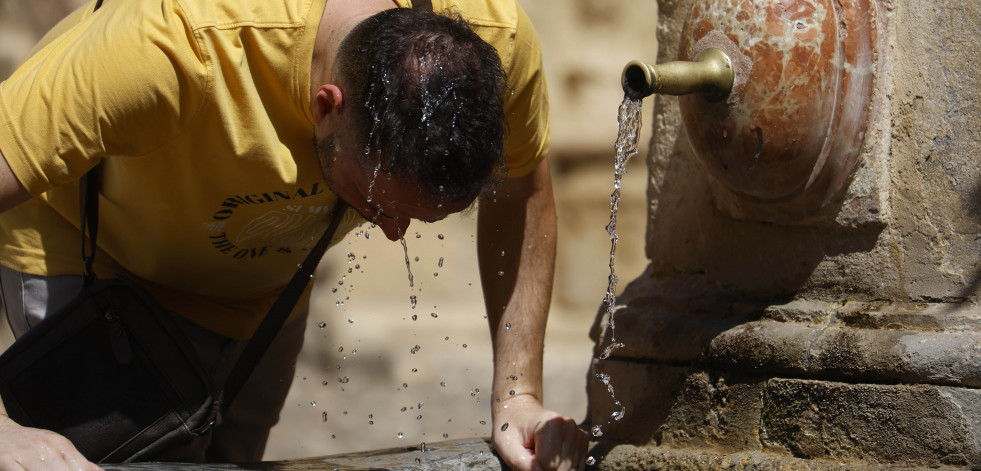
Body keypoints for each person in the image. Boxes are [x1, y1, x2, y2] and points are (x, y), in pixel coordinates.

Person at [0, 0, 588, 469]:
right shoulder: (177, 46)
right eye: (375, 202)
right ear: (326, 104)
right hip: (96, 260)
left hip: (265, 284)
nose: (390, 233)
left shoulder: (493, 44)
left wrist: (518, 397)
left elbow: (523, 189)